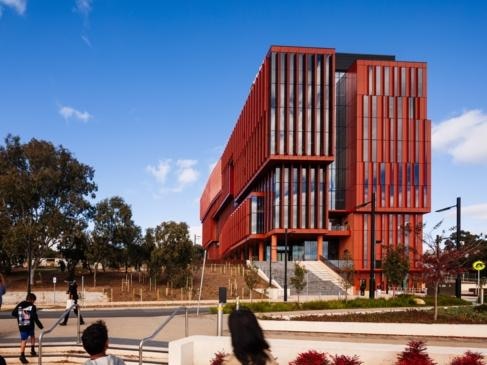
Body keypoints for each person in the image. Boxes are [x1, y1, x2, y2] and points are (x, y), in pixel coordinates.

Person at [11, 292, 44, 364]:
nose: (34, 302)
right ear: (32, 300)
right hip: (30, 325)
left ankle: (25, 353)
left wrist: (21, 316)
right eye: (34, 300)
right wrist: (41, 326)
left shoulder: (21, 304)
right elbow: (35, 317)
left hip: (22, 325)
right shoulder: (32, 306)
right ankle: (26, 354)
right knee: (31, 337)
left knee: (24, 339)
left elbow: (13, 313)